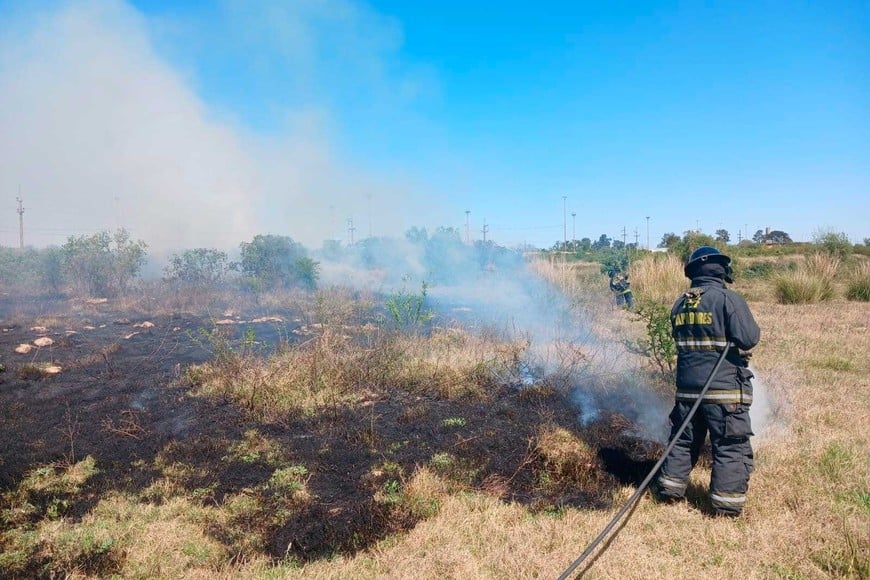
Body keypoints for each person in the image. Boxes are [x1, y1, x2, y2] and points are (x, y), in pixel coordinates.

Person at [654, 246, 760, 517]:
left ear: (693, 272)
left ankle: (669, 490)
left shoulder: (680, 303)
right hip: (724, 391)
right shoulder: (727, 299)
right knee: (730, 445)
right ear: (722, 270)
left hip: (687, 390)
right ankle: (726, 505)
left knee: (683, 440)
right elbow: (749, 338)